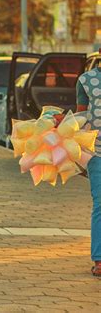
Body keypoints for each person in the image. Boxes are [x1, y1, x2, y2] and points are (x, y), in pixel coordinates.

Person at [76, 56, 101, 277]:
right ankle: (100, 259)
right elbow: (82, 116)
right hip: (97, 152)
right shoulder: (87, 80)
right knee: (100, 204)